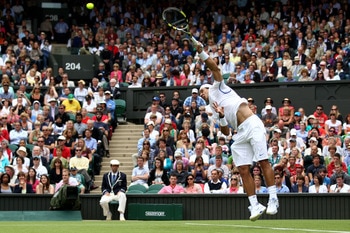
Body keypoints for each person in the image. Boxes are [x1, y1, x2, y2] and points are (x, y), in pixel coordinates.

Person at [196, 42, 278, 220]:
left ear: (208, 87)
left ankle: (273, 198)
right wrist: (222, 116)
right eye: (200, 93)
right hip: (240, 133)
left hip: (252, 123)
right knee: (242, 170)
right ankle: (254, 205)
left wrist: (201, 53)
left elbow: (215, 68)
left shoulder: (218, 87)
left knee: (263, 162)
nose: (201, 94)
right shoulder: (213, 109)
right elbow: (225, 132)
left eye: (202, 90)